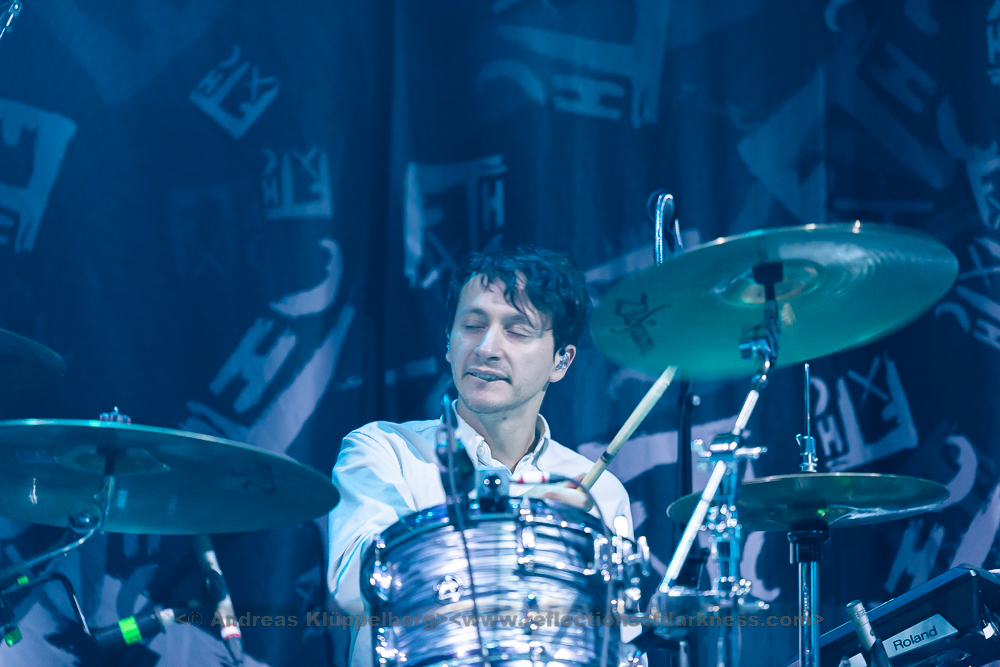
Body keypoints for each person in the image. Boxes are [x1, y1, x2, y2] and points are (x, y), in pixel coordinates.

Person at [327, 246, 634, 666]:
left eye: (518, 331)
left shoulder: (599, 491)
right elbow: (355, 588)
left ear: (561, 361)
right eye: (472, 326)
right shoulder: (384, 450)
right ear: (449, 342)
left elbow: (618, 641)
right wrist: (516, 536)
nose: (487, 347)